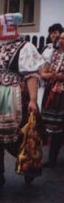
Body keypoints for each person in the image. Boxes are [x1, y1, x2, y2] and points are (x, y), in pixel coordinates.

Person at [0, 13, 45, 188]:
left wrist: (33, 100)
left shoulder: (25, 48)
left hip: (14, 98)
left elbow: (31, 75)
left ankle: (28, 164)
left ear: (9, 27)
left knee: (15, 137)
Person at [41, 31, 64, 167]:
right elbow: (44, 72)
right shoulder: (54, 54)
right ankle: (52, 159)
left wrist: (55, 75)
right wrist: (53, 75)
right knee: (55, 126)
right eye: (60, 38)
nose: (61, 40)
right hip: (54, 92)